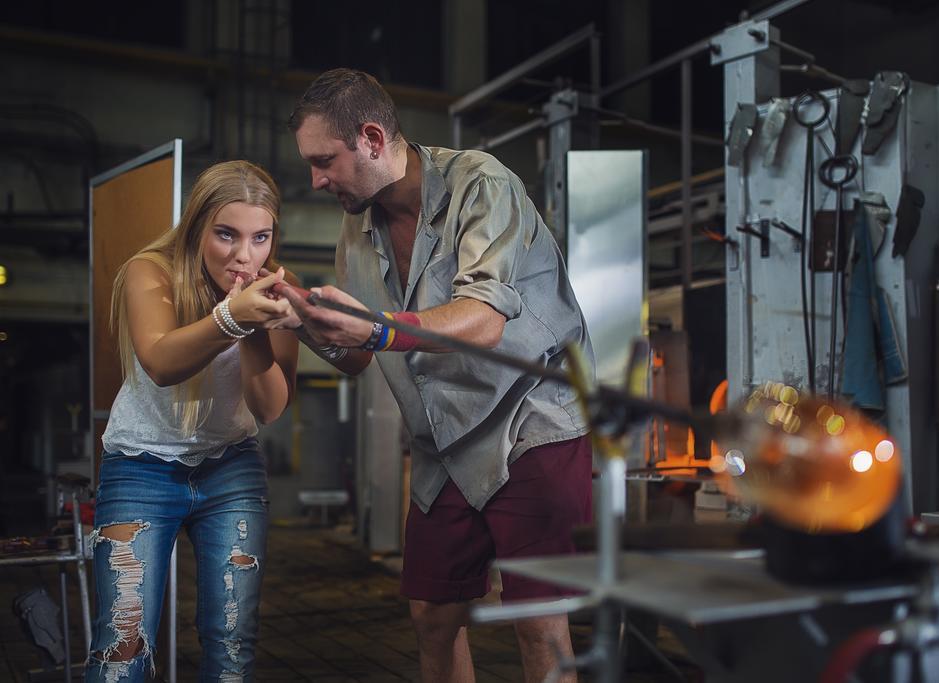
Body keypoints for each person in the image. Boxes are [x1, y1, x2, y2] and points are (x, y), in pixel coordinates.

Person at [280, 68, 595, 683]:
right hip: (444, 442)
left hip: (530, 422)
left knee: (537, 616)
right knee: (430, 613)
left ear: (372, 138)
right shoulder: (356, 228)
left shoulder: (481, 185)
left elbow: (482, 320)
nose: (315, 180)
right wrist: (300, 316)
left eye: (325, 162)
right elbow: (361, 353)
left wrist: (375, 327)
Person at [85, 160, 298, 682]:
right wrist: (232, 317)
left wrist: (254, 328)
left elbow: (269, 408)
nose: (243, 255)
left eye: (260, 237)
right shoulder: (149, 270)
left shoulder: (274, 288)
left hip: (230, 467)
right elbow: (160, 362)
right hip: (140, 466)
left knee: (231, 643)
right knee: (123, 644)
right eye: (226, 234)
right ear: (198, 226)